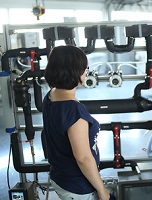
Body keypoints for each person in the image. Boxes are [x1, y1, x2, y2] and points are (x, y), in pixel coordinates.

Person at [42, 45, 110, 200]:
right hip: (78, 186)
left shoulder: (52, 95)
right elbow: (83, 158)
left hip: (61, 177)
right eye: (85, 68)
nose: (86, 72)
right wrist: (102, 191)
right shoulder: (74, 111)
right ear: (75, 72)